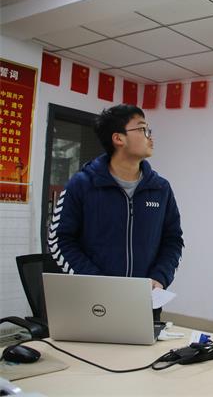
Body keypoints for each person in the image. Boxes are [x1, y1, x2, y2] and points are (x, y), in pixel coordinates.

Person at [47, 104, 184, 319]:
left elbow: (173, 240)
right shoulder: (83, 184)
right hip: (93, 303)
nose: (150, 136)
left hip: (143, 303)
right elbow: (59, 239)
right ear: (118, 138)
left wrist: (160, 277)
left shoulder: (160, 188)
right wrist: (96, 282)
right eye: (142, 129)